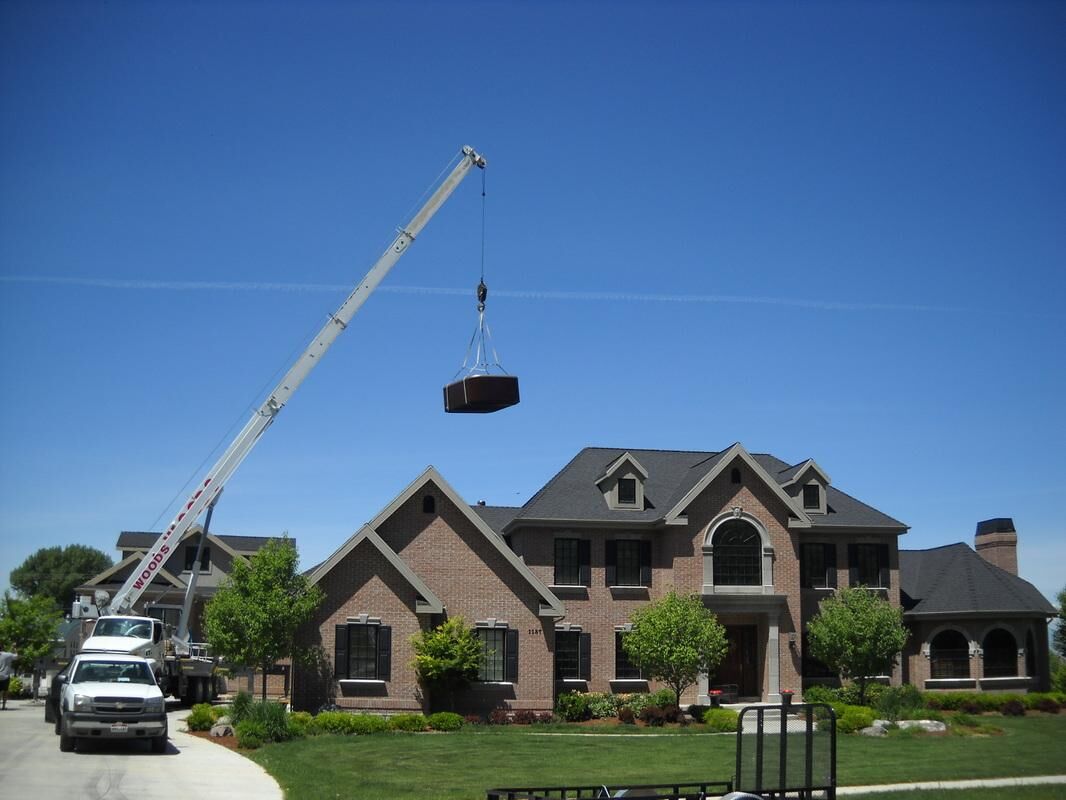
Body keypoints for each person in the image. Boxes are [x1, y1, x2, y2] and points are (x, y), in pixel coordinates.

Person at [0, 644, 17, 710]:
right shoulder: (7, 655)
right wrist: (14, 648)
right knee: (5, 691)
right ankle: (3, 706)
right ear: (3, 648)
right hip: (5, 676)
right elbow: (16, 656)